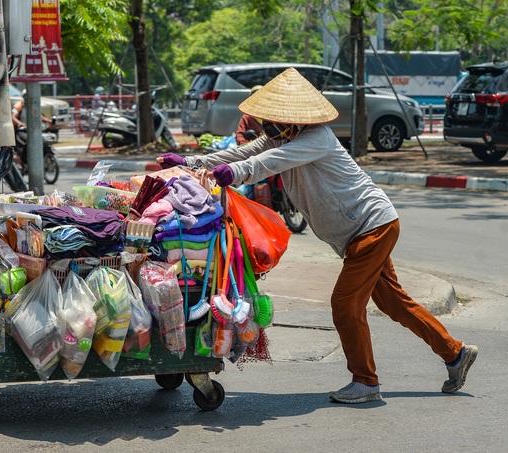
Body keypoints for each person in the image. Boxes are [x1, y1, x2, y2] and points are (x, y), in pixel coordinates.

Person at [156, 67, 478, 404]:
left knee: (344, 304)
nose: (266, 125)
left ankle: (366, 382)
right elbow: (243, 153)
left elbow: (263, 163)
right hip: (359, 233)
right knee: (393, 302)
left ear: (293, 118)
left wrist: (233, 174)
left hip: (371, 227)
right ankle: (455, 354)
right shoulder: (284, 137)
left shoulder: (315, 139)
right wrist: (193, 161)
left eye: (272, 118)